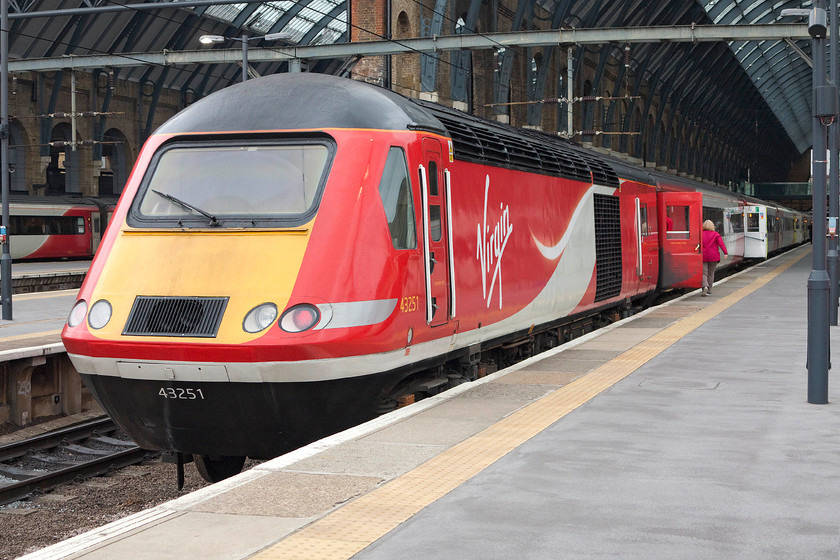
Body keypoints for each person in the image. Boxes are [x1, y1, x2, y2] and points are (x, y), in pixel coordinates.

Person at [701, 219, 727, 296]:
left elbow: (697, 245)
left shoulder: (700, 234)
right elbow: (721, 244)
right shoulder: (716, 234)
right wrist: (725, 253)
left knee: (704, 272)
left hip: (703, 255)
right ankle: (709, 290)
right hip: (713, 256)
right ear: (713, 226)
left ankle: (704, 286)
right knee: (711, 273)